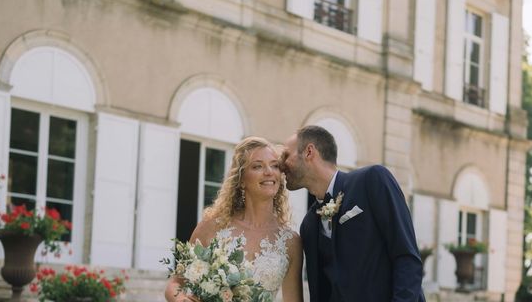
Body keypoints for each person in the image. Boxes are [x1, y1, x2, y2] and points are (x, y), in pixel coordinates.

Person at [281, 125, 426, 302]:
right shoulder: (309, 225)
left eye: (286, 155)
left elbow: (406, 257)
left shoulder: (372, 180)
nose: (281, 165)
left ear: (309, 152)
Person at [165, 136, 304, 302]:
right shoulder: (212, 226)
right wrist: (182, 300)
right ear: (241, 179)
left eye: (274, 165)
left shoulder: (291, 242)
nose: (269, 172)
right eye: (258, 166)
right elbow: (175, 283)